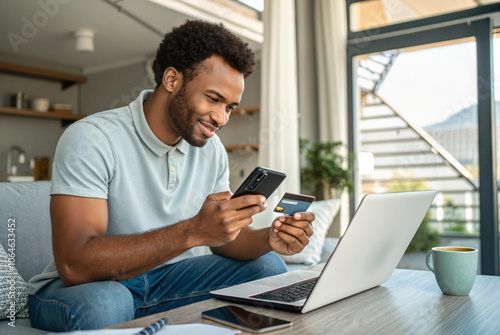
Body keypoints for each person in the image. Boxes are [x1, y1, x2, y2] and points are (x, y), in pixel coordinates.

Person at [28, 20, 315, 331]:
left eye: (230, 107)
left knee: (269, 266)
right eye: (213, 98)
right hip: (85, 288)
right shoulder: (92, 138)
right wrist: (193, 231)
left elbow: (222, 241)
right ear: (171, 79)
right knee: (106, 303)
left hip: (168, 281)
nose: (221, 118)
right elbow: (76, 264)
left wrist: (269, 239)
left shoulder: (211, 149)